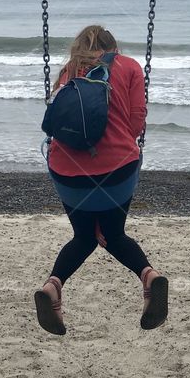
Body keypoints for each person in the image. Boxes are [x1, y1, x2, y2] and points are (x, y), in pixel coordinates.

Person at [34, 24, 168, 335]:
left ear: (80, 46)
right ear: (113, 46)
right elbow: (137, 120)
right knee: (112, 234)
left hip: (67, 173)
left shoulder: (71, 70)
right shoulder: (130, 66)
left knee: (86, 236)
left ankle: (53, 287)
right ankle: (149, 277)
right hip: (116, 171)